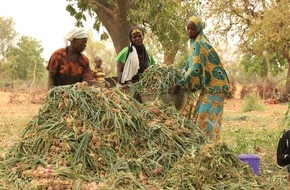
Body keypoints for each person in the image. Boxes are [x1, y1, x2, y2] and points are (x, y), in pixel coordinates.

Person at [171, 15, 232, 141]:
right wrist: (178, 72)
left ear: (198, 29)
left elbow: (195, 69)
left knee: (207, 119)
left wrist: (180, 84)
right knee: (199, 114)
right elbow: (190, 64)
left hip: (216, 87)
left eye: (192, 29)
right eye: (187, 29)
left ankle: (211, 148)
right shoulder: (197, 42)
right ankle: (206, 147)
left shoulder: (199, 43)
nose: (189, 32)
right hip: (210, 87)